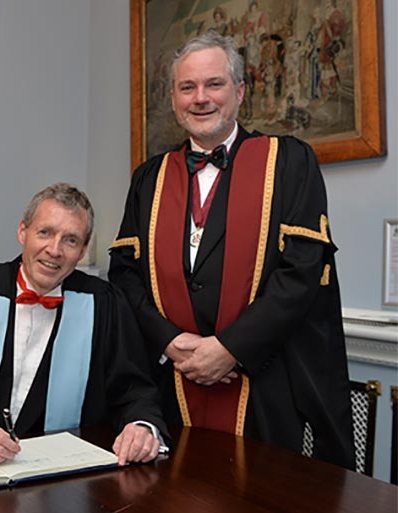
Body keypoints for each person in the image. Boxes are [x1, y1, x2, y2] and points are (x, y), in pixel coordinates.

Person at [109, 32, 355, 469]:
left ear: (240, 91)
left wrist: (229, 348)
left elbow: (301, 272)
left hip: (268, 387)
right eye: (188, 87)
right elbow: (125, 275)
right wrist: (174, 343)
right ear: (173, 98)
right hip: (173, 387)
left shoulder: (289, 161)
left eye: (214, 84)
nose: (200, 98)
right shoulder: (149, 178)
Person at [0, 183, 169, 466]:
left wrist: (142, 428)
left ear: (83, 251)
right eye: (45, 232)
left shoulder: (104, 305)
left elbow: (134, 390)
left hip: (59, 477)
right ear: (22, 232)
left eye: (71, 240)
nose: (55, 250)